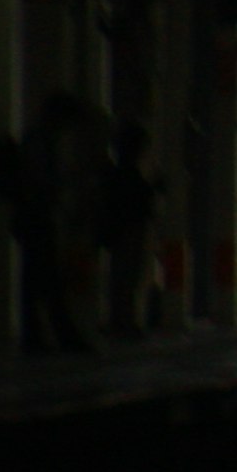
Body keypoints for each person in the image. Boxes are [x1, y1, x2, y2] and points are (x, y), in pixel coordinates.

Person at [0, 91, 91, 354]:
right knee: (47, 280)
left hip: (32, 217)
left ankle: (40, 336)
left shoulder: (36, 139)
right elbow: (40, 183)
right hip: (36, 217)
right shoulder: (39, 142)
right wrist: (63, 184)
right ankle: (57, 337)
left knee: (37, 279)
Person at [97, 118, 158, 338]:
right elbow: (140, 202)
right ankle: (123, 321)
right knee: (126, 277)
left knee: (123, 277)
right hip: (129, 229)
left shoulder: (118, 173)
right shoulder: (128, 175)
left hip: (122, 229)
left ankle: (121, 320)